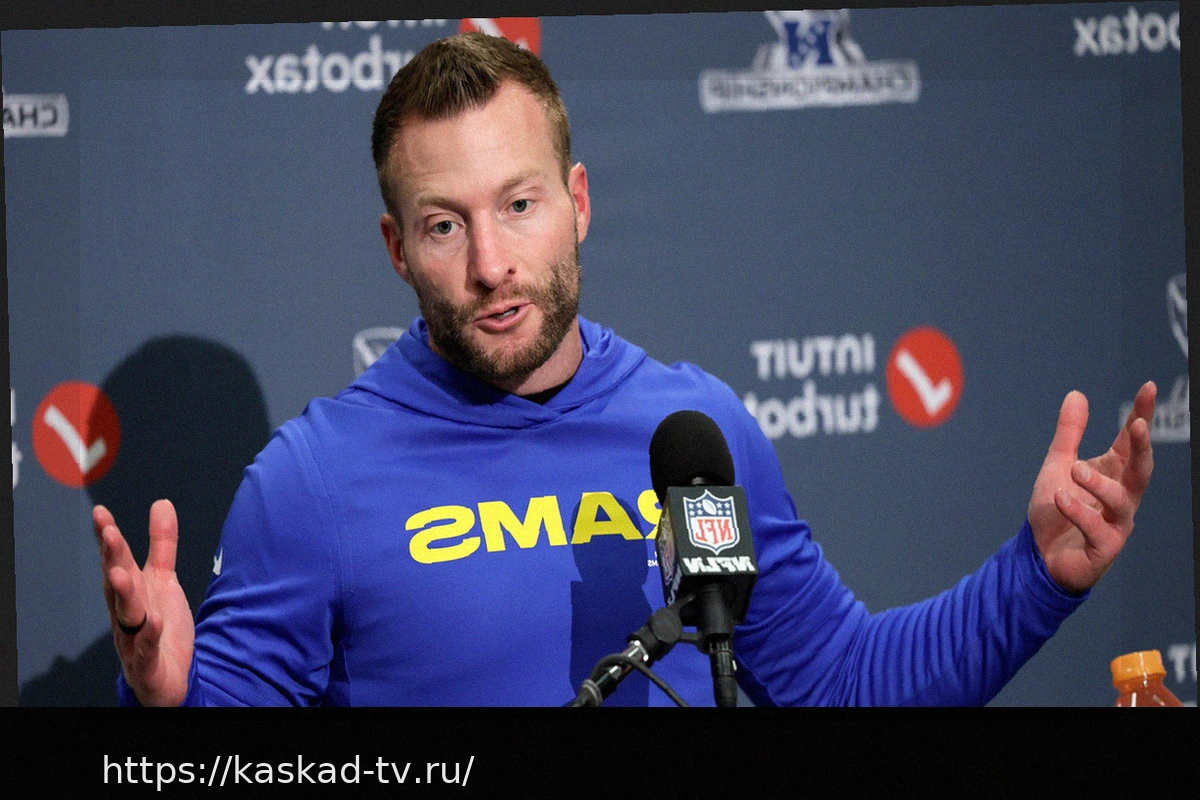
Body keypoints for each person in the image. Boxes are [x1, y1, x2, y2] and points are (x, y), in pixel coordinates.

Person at [93, 33, 1157, 707]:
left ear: (579, 202)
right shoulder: (313, 480)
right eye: (444, 224)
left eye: (520, 204)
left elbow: (839, 680)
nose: (492, 263)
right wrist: (174, 698)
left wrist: (1037, 574)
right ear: (397, 248)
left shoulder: (695, 431)